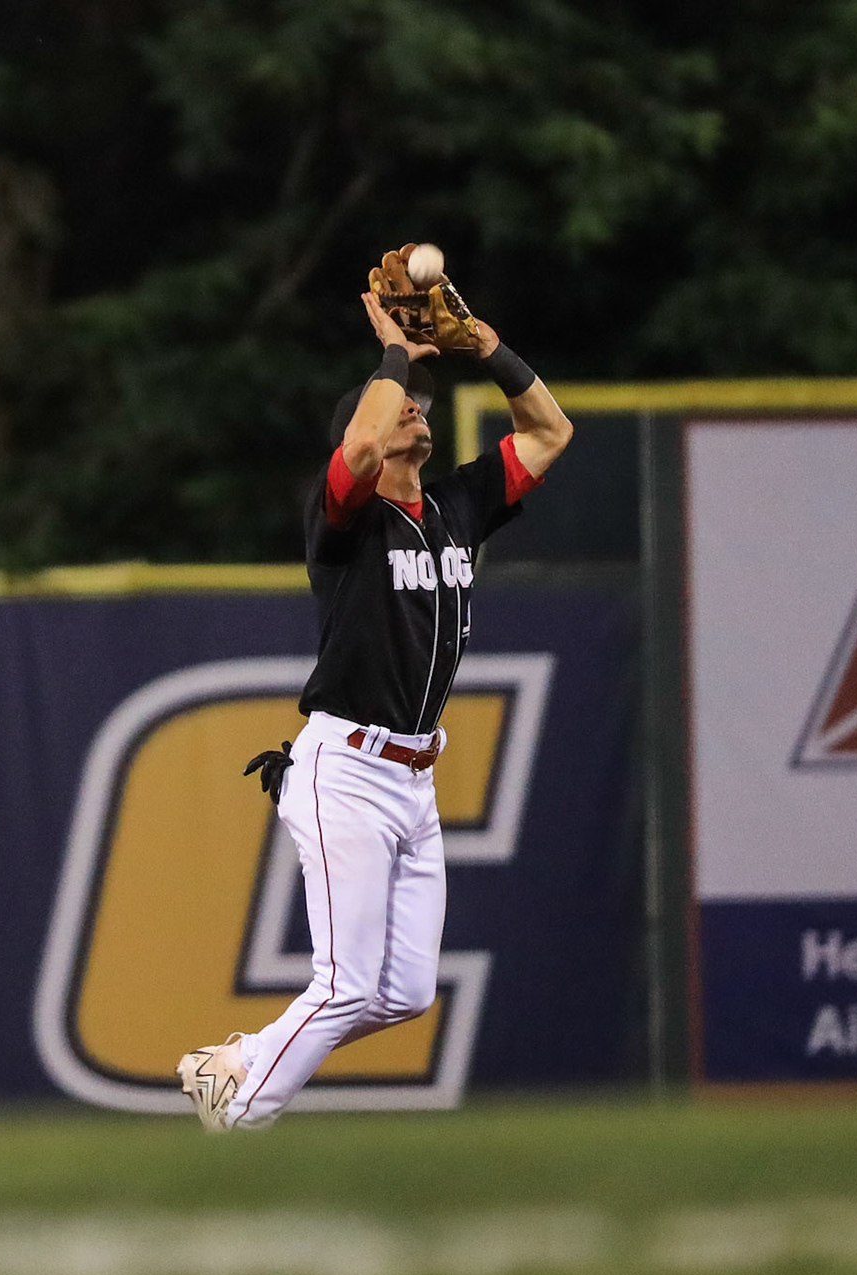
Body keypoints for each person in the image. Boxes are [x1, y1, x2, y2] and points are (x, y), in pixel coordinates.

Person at [176, 263, 574, 1131]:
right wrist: (392, 351)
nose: (416, 410)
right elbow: (356, 450)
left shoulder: (458, 507)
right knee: (345, 984)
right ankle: (235, 1122)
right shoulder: (344, 517)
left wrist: (489, 348)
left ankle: (235, 1061)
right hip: (345, 768)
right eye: (402, 404)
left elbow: (549, 432)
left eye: (423, 402)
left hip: (412, 782)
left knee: (401, 993)